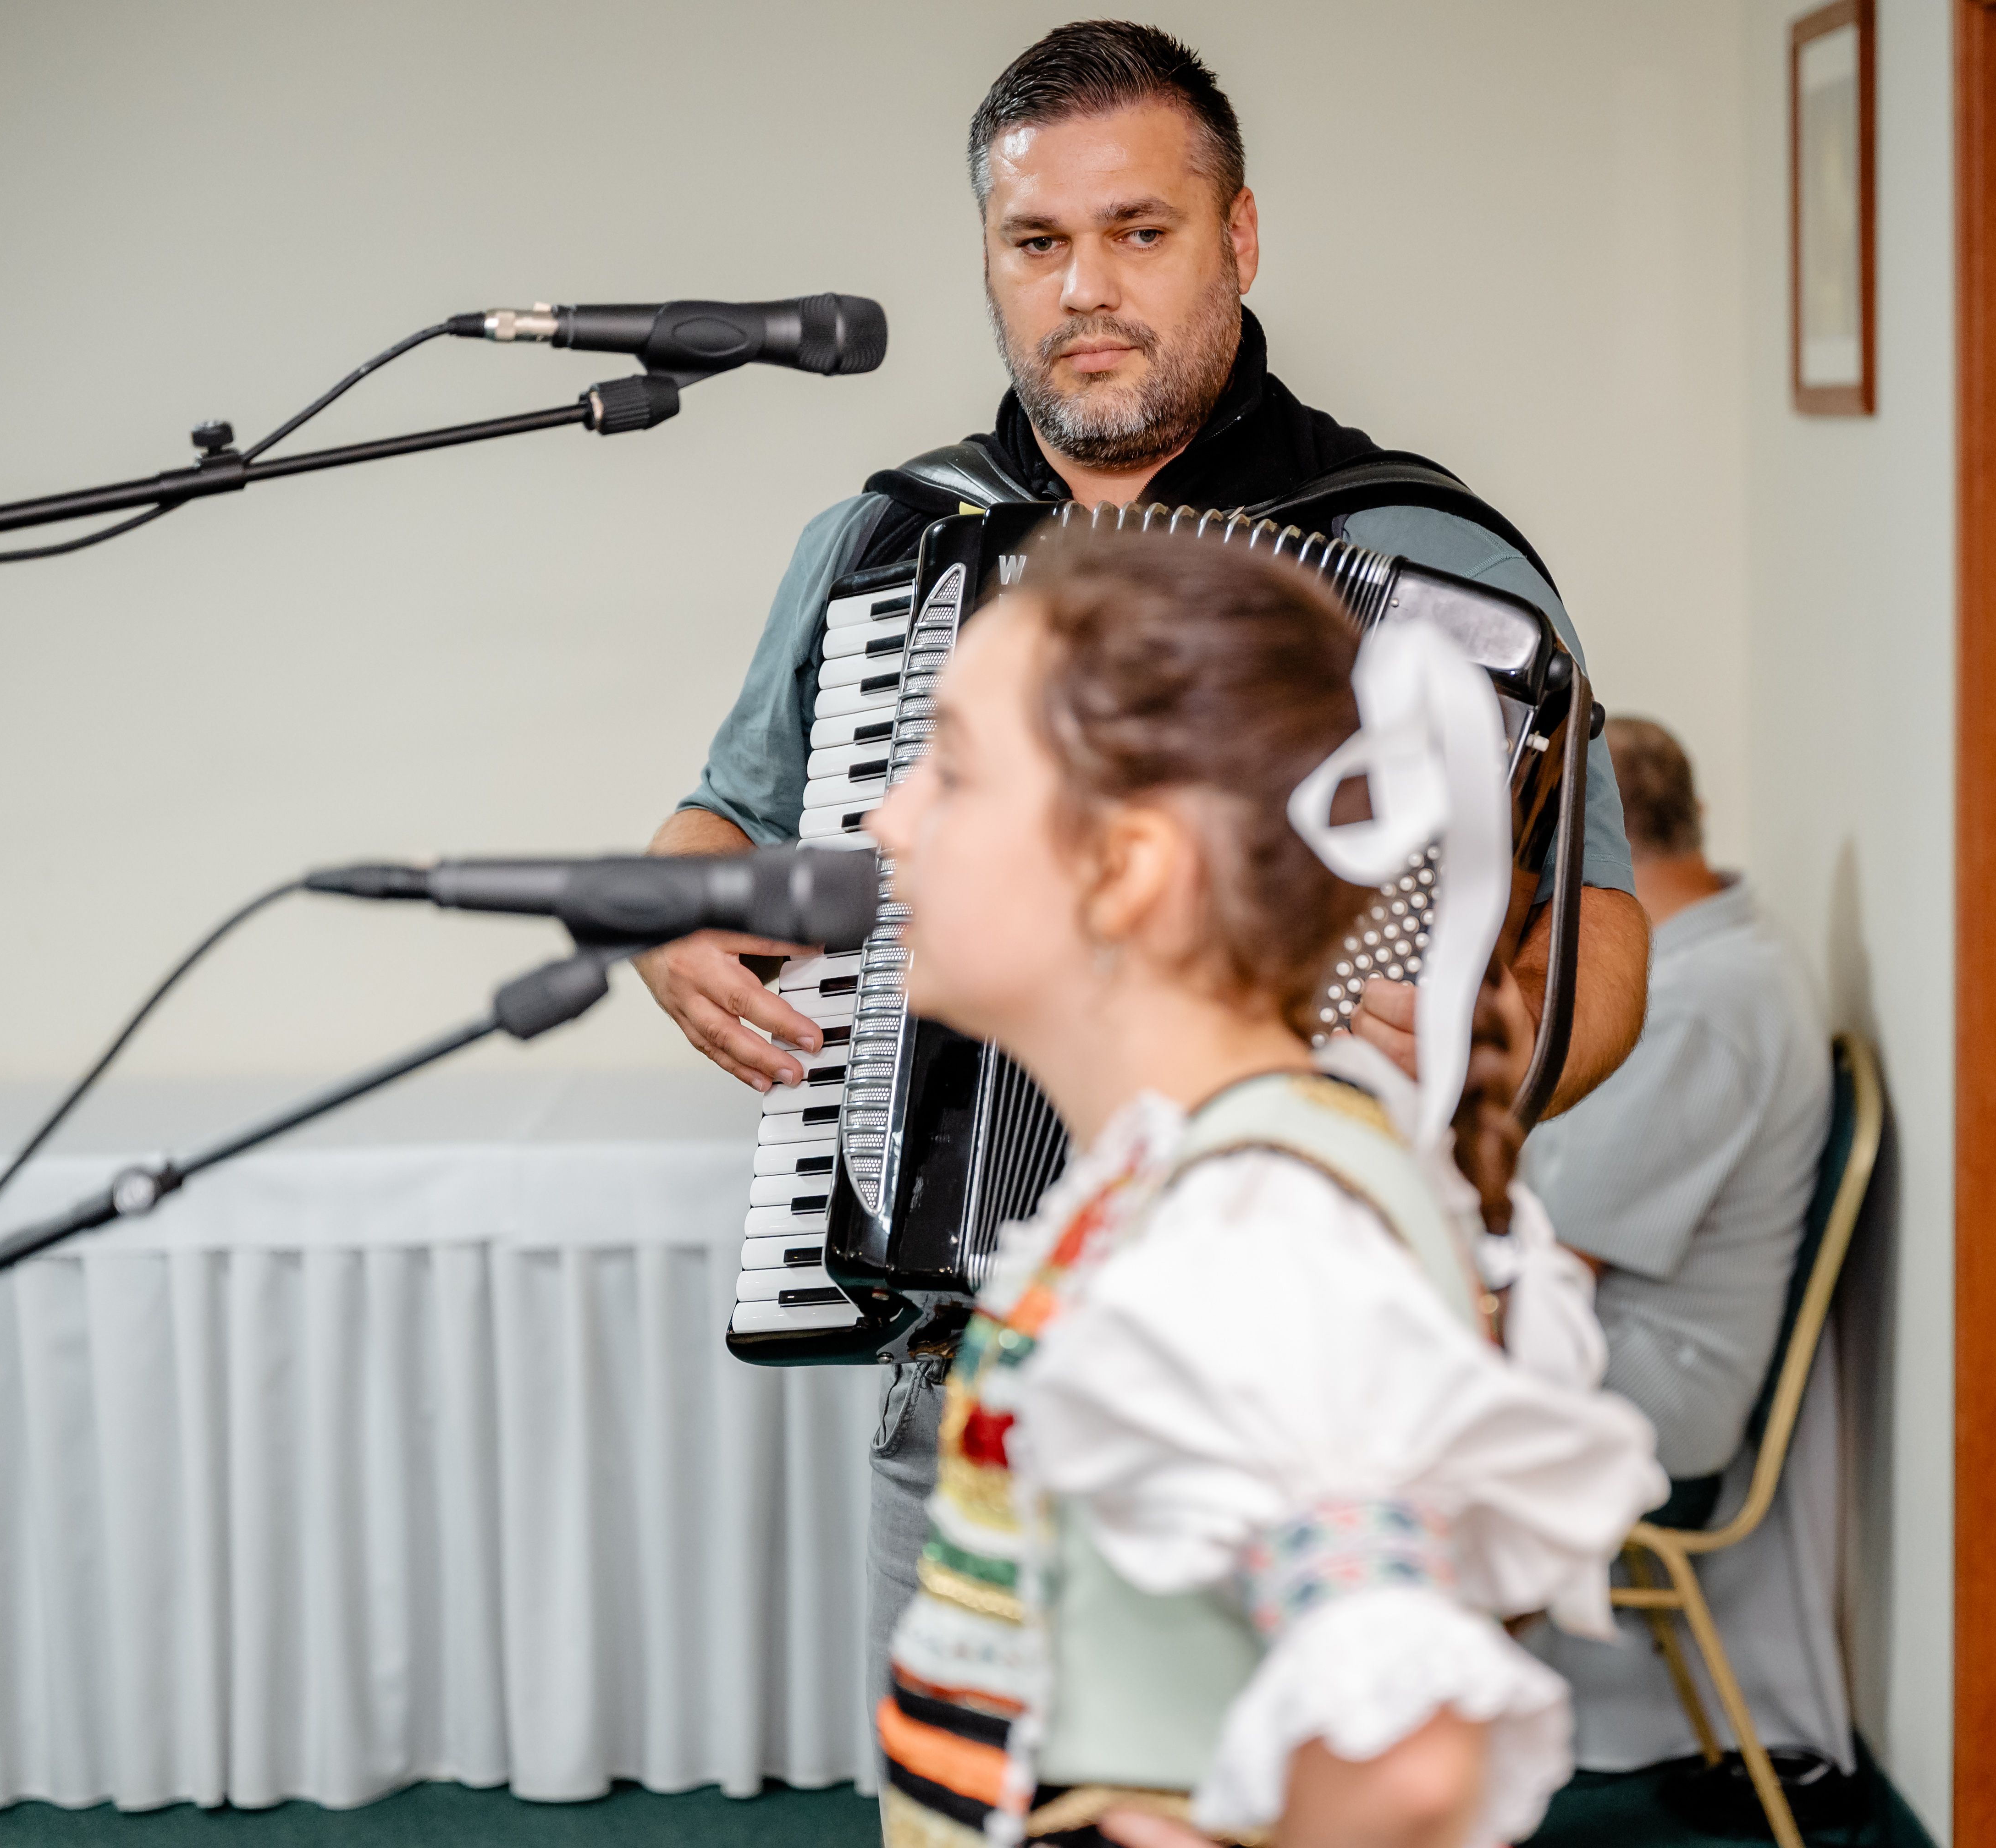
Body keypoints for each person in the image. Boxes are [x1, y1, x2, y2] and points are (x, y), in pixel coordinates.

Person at [631, 20, 1653, 1726]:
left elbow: (1597, 944)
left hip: (1299, 1373)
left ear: (1237, 239)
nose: (1084, 287)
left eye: (1139, 231)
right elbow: (724, 817)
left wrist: (1469, 1071)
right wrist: (680, 919)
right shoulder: (883, 547)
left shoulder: (1427, 562)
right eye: (1036, 242)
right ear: (986, 261)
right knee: (957, 1802)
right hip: (966, 1370)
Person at [859, 529, 1662, 1848]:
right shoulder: (1187, 1185)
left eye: (951, 769)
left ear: (1126, 868)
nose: (886, 817)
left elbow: (1407, 1758)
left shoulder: (1253, 1242)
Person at [1516, 720, 1851, 1814]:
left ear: (1580, 848)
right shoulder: (1726, 952)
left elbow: (1562, 1252)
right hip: (1638, 1345)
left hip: (1658, 1390)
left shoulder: (1703, 1002)